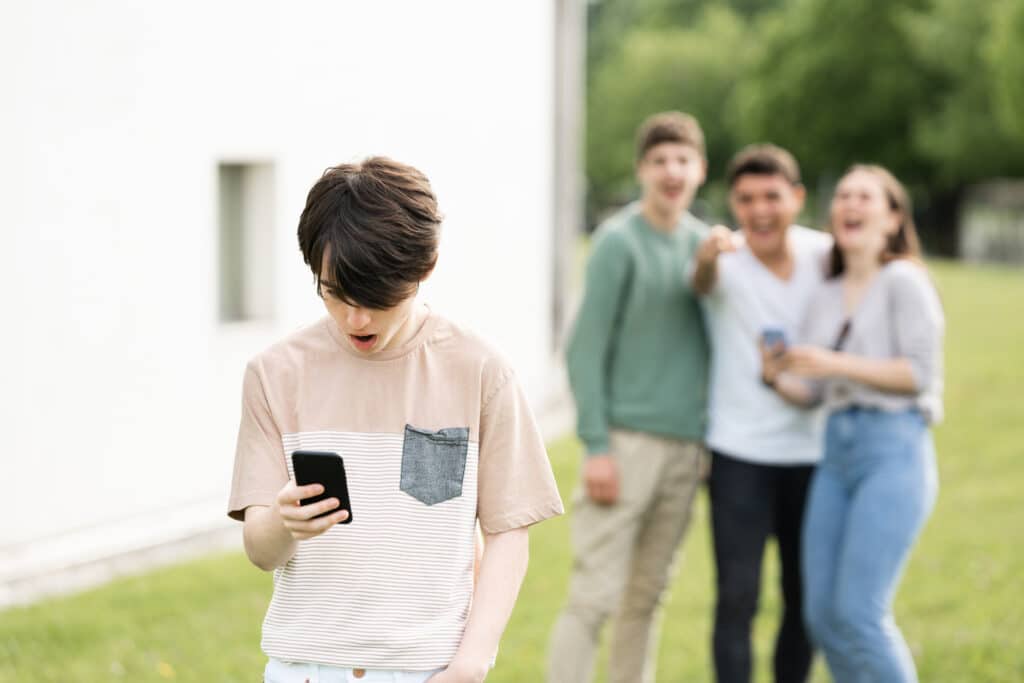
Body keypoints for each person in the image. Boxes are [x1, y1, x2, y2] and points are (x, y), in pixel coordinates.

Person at [227, 156, 564, 683]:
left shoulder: (481, 370)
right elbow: (260, 550)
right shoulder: (274, 373)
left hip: (428, 670)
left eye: (377, 298)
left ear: (424, 269)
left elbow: (507, 532)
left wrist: (470, 663)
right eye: (335, 293)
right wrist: (283, 523)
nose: (356, 319)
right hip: (305, 669)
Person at [761, 164, 943, 682]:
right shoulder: (825, 292)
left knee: (861, 615)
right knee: (822, 616)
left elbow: (920, 373)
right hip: (836, 455)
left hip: (893, 450)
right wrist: (777, 376)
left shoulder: (904, 280)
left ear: (893, 218)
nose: (850, 204)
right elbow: (813, 392)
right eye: (842, 195)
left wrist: (834, 363)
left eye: (865, 196)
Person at [548, 111, 711, 683]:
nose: (672, 171)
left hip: (685, 450)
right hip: (623, 442)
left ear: (700, 170)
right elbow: (583, 350)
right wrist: (596, 444)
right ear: (643, 169)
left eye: (683, 160)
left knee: (646, 598)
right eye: (660, 160)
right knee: (593, 598)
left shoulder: (704, 249)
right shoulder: (619, 243)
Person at [691, 144, 832, 683]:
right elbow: (698, 283)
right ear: (733, 203)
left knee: (803, 596)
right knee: (737, 596)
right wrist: (706, 259)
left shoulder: (825, 257)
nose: (759, 210)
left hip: (814, 454)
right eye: (746, 199)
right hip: (738, 455)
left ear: (796, 198)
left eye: (772, 196)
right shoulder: (721, 261)